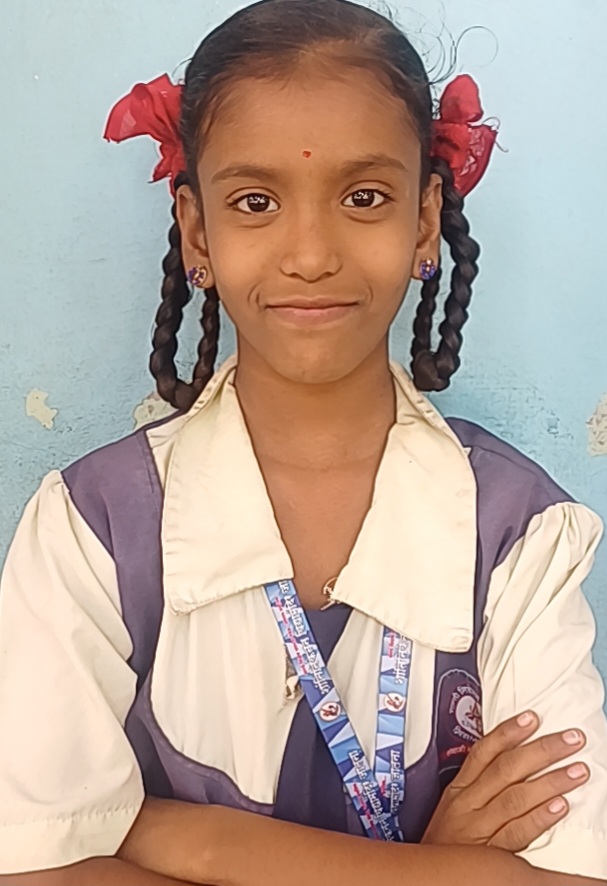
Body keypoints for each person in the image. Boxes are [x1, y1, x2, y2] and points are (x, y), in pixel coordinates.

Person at [0, 1, 606, 884]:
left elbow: (569, 875)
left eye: (364, 198)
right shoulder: (90, 531)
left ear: (424, 221)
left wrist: (183, 840)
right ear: (197, 232)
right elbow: (34, 868)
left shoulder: (520, 534)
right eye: (255, 202)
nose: (311, 254)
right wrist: (437, 869)